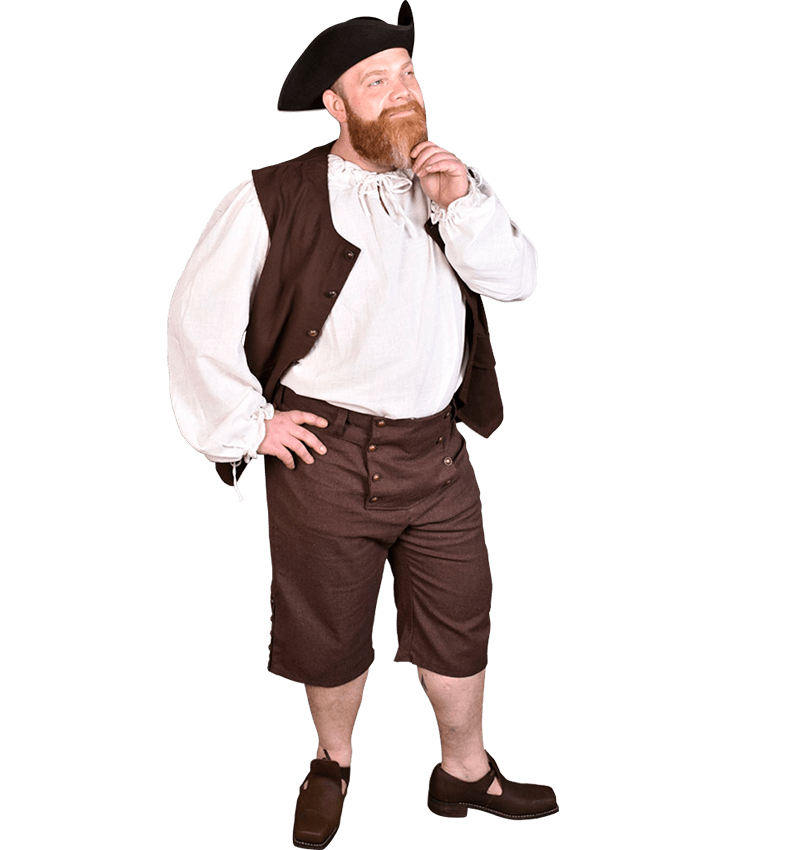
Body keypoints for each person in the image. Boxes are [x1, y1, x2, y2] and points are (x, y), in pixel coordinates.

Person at [167, 3, 556, 846]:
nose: (402, 91)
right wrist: (248, 427)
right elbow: (196, 319)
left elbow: (517, 280)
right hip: (325, 456)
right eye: (376, 81)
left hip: (436, 453)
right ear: (336, 105)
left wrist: (460, 201)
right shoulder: (269, 197)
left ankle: (464, 771)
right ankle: (333, 761)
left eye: (408, 74)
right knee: (331, 627)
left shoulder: (450, 181)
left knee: (462, 615)